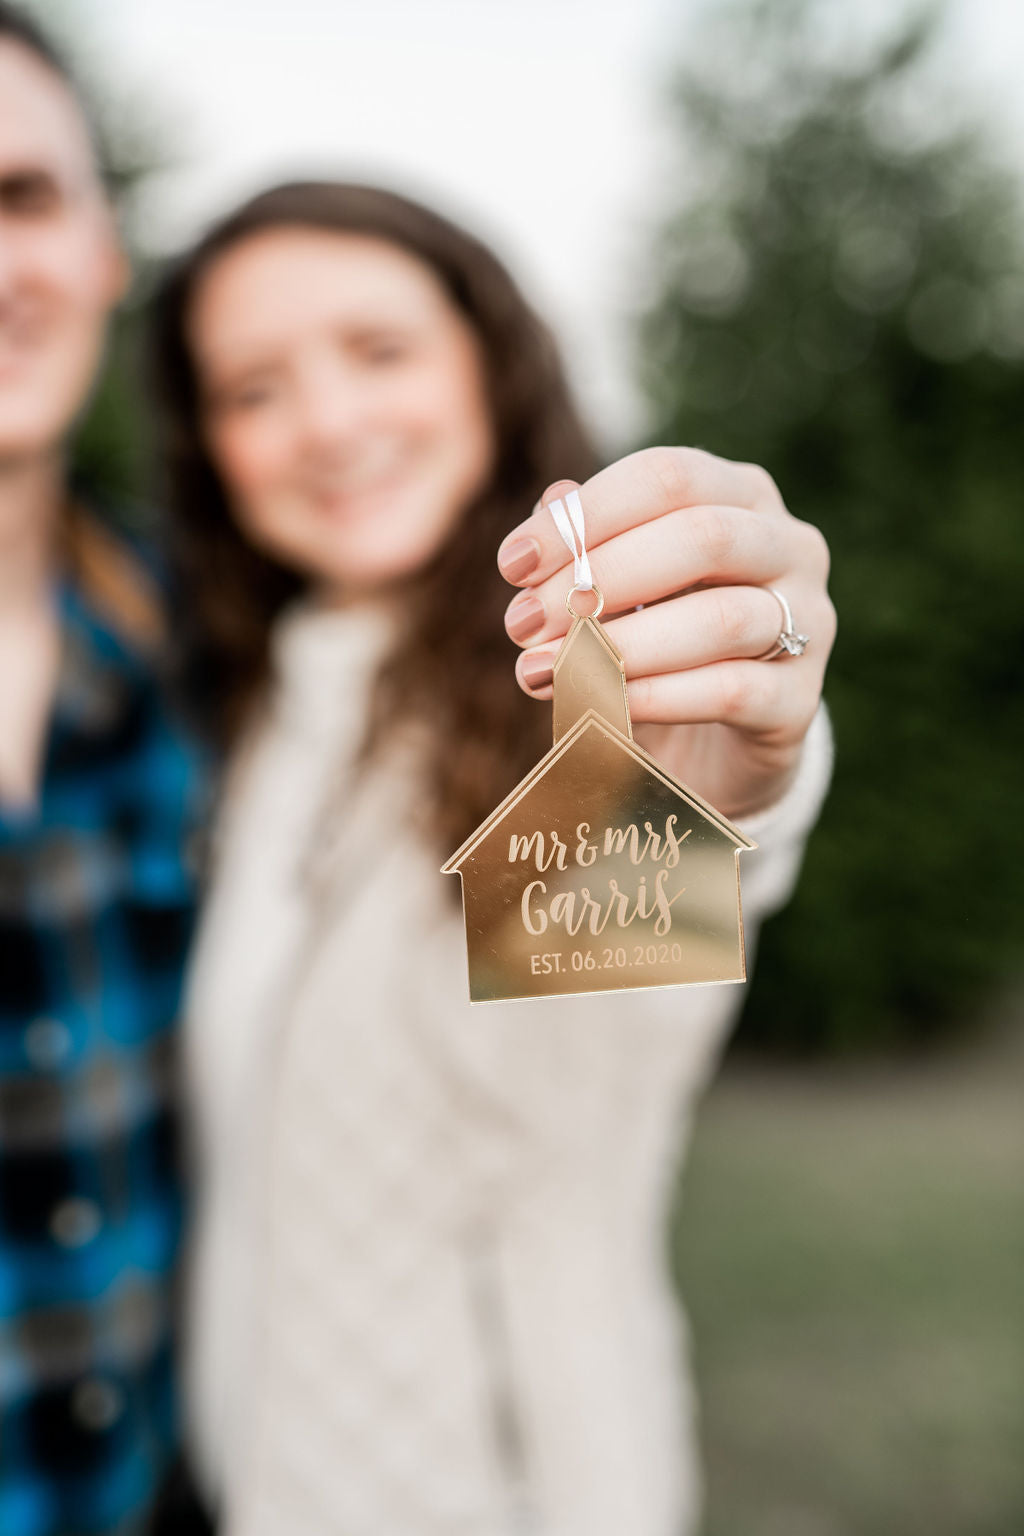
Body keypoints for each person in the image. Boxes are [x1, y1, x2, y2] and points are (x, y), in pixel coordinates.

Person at [149, 180, 836, 1536]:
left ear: (491, 361)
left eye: (379, 351)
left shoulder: (570, 686)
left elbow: (633, 929)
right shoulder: (253, 709)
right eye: (254, 389)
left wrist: (715, 777)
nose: (328, 423)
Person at [0, 8, 203, 1534]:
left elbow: (578, 972)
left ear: (105, 249)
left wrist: (743, 772)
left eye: (23, 197)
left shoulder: (206, 653)